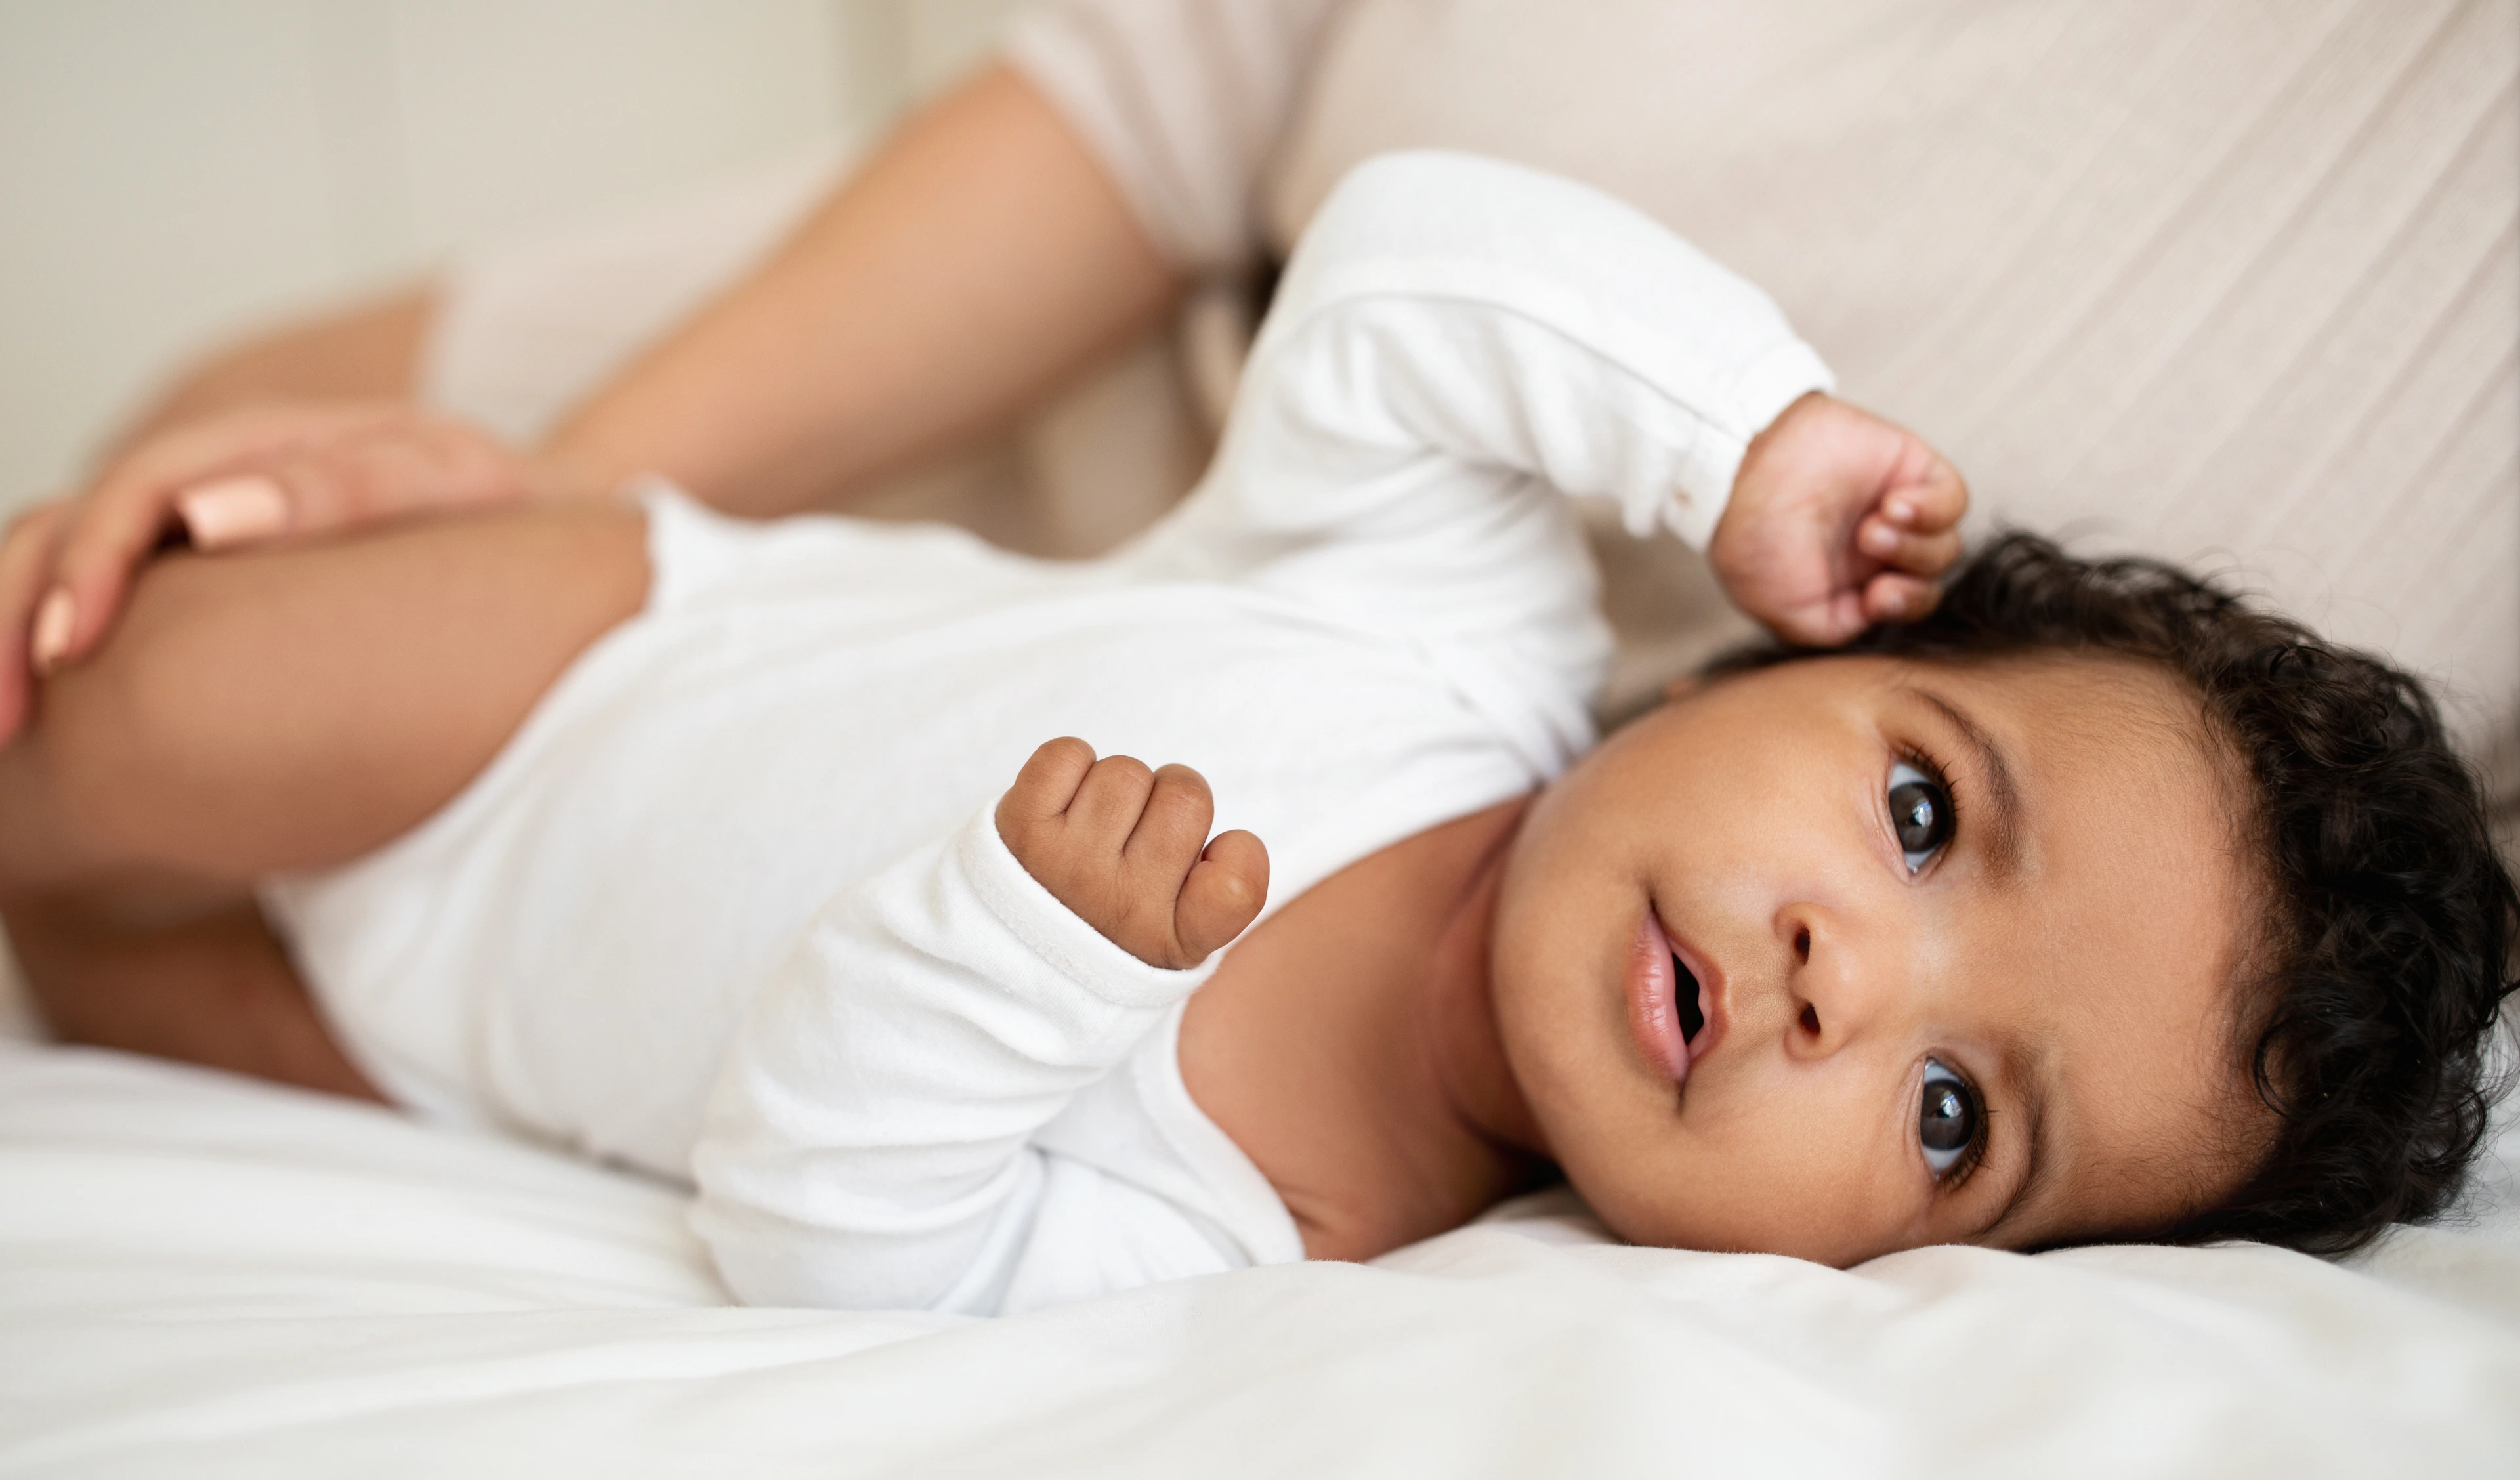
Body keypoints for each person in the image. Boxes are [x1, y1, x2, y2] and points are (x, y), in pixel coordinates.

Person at [1, 154, 2508, 1315]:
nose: (1858, 982)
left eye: (1957, 1123)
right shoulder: (1449, 639)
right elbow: (1401, 275)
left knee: (98, 968)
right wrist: (1735, 436)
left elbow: (818, 1233)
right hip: (570, 669)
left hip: (443, 1046)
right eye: (1926, 810)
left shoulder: (1293, 1244)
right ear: (1786, 657)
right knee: (93, 703)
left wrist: (1016, 959)